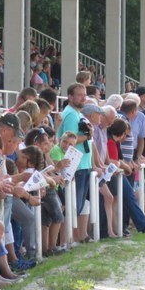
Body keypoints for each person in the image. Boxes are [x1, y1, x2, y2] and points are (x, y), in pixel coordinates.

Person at [56, 83, 92, 243]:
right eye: (80, 95)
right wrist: (88, 135)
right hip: (76, 166)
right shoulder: (70, 114)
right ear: (70, 97)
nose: (83, 98)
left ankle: (70, 239)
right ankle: (65, 241)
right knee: (72, 206)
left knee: (77, 206)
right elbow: (69, 141)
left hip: (82, 164)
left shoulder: (76, 113)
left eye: (85, 94)